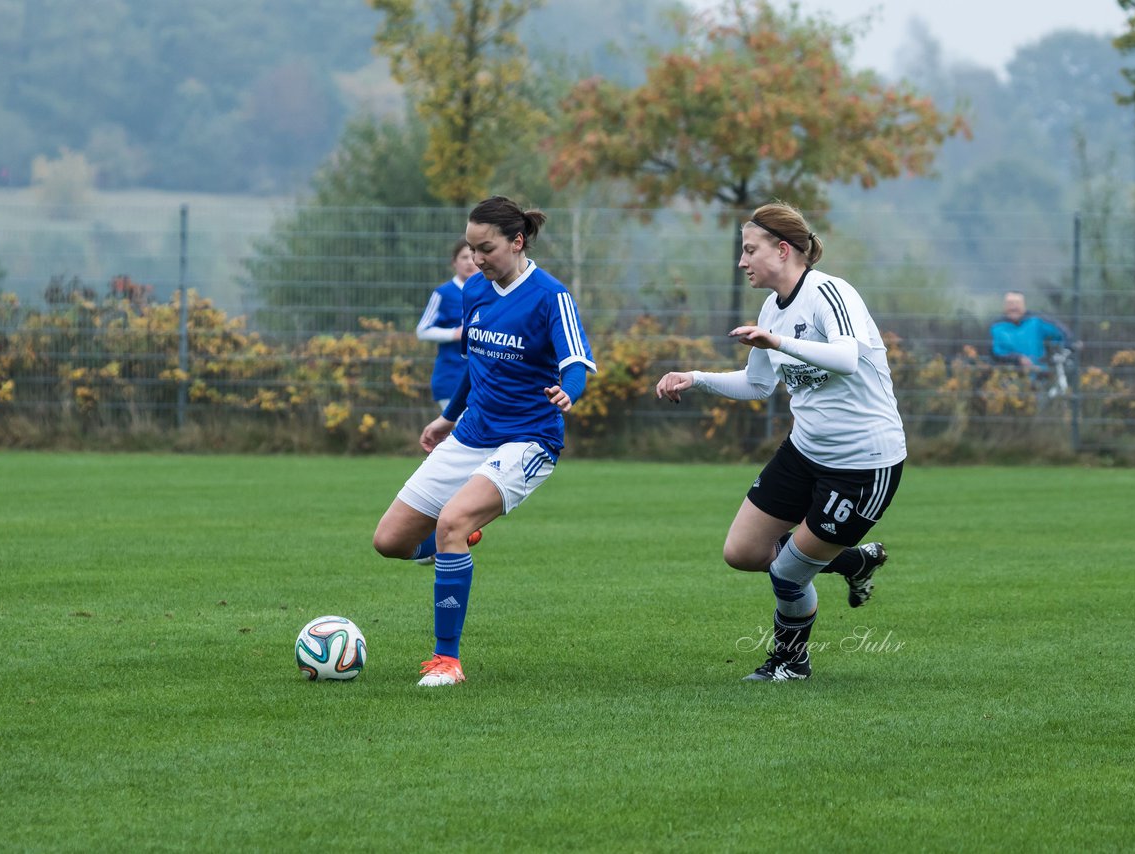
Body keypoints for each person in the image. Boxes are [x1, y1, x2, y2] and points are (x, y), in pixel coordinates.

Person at [655, 202, 906, 682]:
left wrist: (779, 344)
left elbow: (847, 358)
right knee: (744, 553)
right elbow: (758, 385)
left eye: (750, 250)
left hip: (862, 466)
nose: (742, 261)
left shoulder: (830, 293)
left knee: (788, 573)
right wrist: (695, 377)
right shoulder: (772, 307)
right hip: (804, 452)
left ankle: (791, 662)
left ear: (783, 249)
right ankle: (854, 560)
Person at [373, 195, 596, 687]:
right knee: (389, 542)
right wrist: (447, 419)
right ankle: (458, 540)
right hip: (472, 433)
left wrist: (569, 390)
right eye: (472, 249)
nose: (477, 259)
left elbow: (577, 360)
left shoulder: (549, 295)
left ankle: (446, 660)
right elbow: (476, 367)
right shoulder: (475, 291)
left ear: (517, 242)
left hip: (529, 439)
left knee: (451, 521)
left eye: (486, 248)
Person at [416, 238, 481, 411]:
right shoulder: (443, 293)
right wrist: (454, 334)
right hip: (451, 378)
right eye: (463, 257)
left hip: (482, 380)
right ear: (454, 262)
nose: (469, 262)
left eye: (472, 256)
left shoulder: (488, 292)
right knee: (466, 431)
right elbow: (422, 331)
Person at [989, 290, 1071, 375]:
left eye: (1017, 303)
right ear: (1004, 306)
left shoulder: (1037, 321)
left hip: (1039, 376)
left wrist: (1067, 347)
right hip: (1008, 377)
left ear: (1024, 305)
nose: (1013, 307)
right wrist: (1018, 359)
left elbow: (1062, 333)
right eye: (1010, 303)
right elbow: (996, 353)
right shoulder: (996, 327)